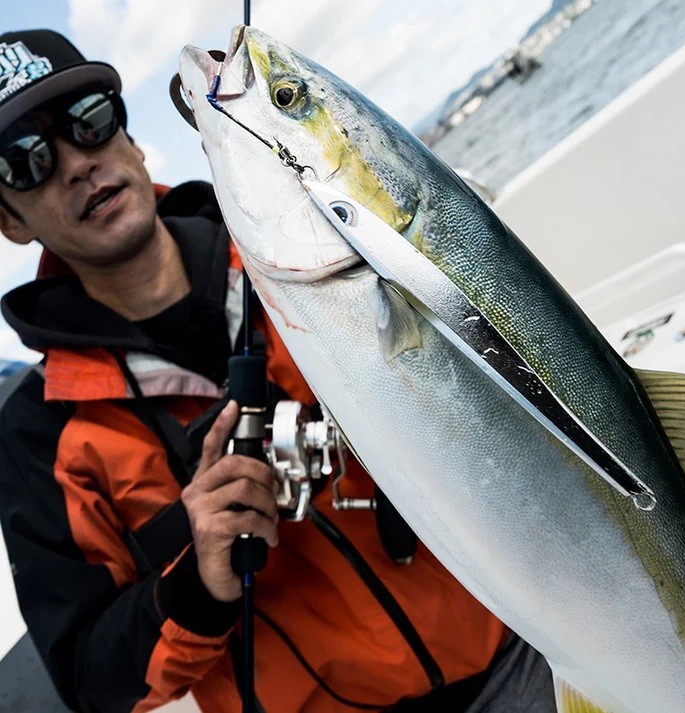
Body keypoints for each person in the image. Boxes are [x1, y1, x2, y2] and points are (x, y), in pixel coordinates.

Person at [0, 28, 557, 713]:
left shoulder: (312, 249)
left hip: (530, 641)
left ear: (131, 138)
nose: (75, 163)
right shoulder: (36, 435)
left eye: (90, 120)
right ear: (9, 219)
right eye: (25, 161)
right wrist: (198, 582)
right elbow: (93, 683)